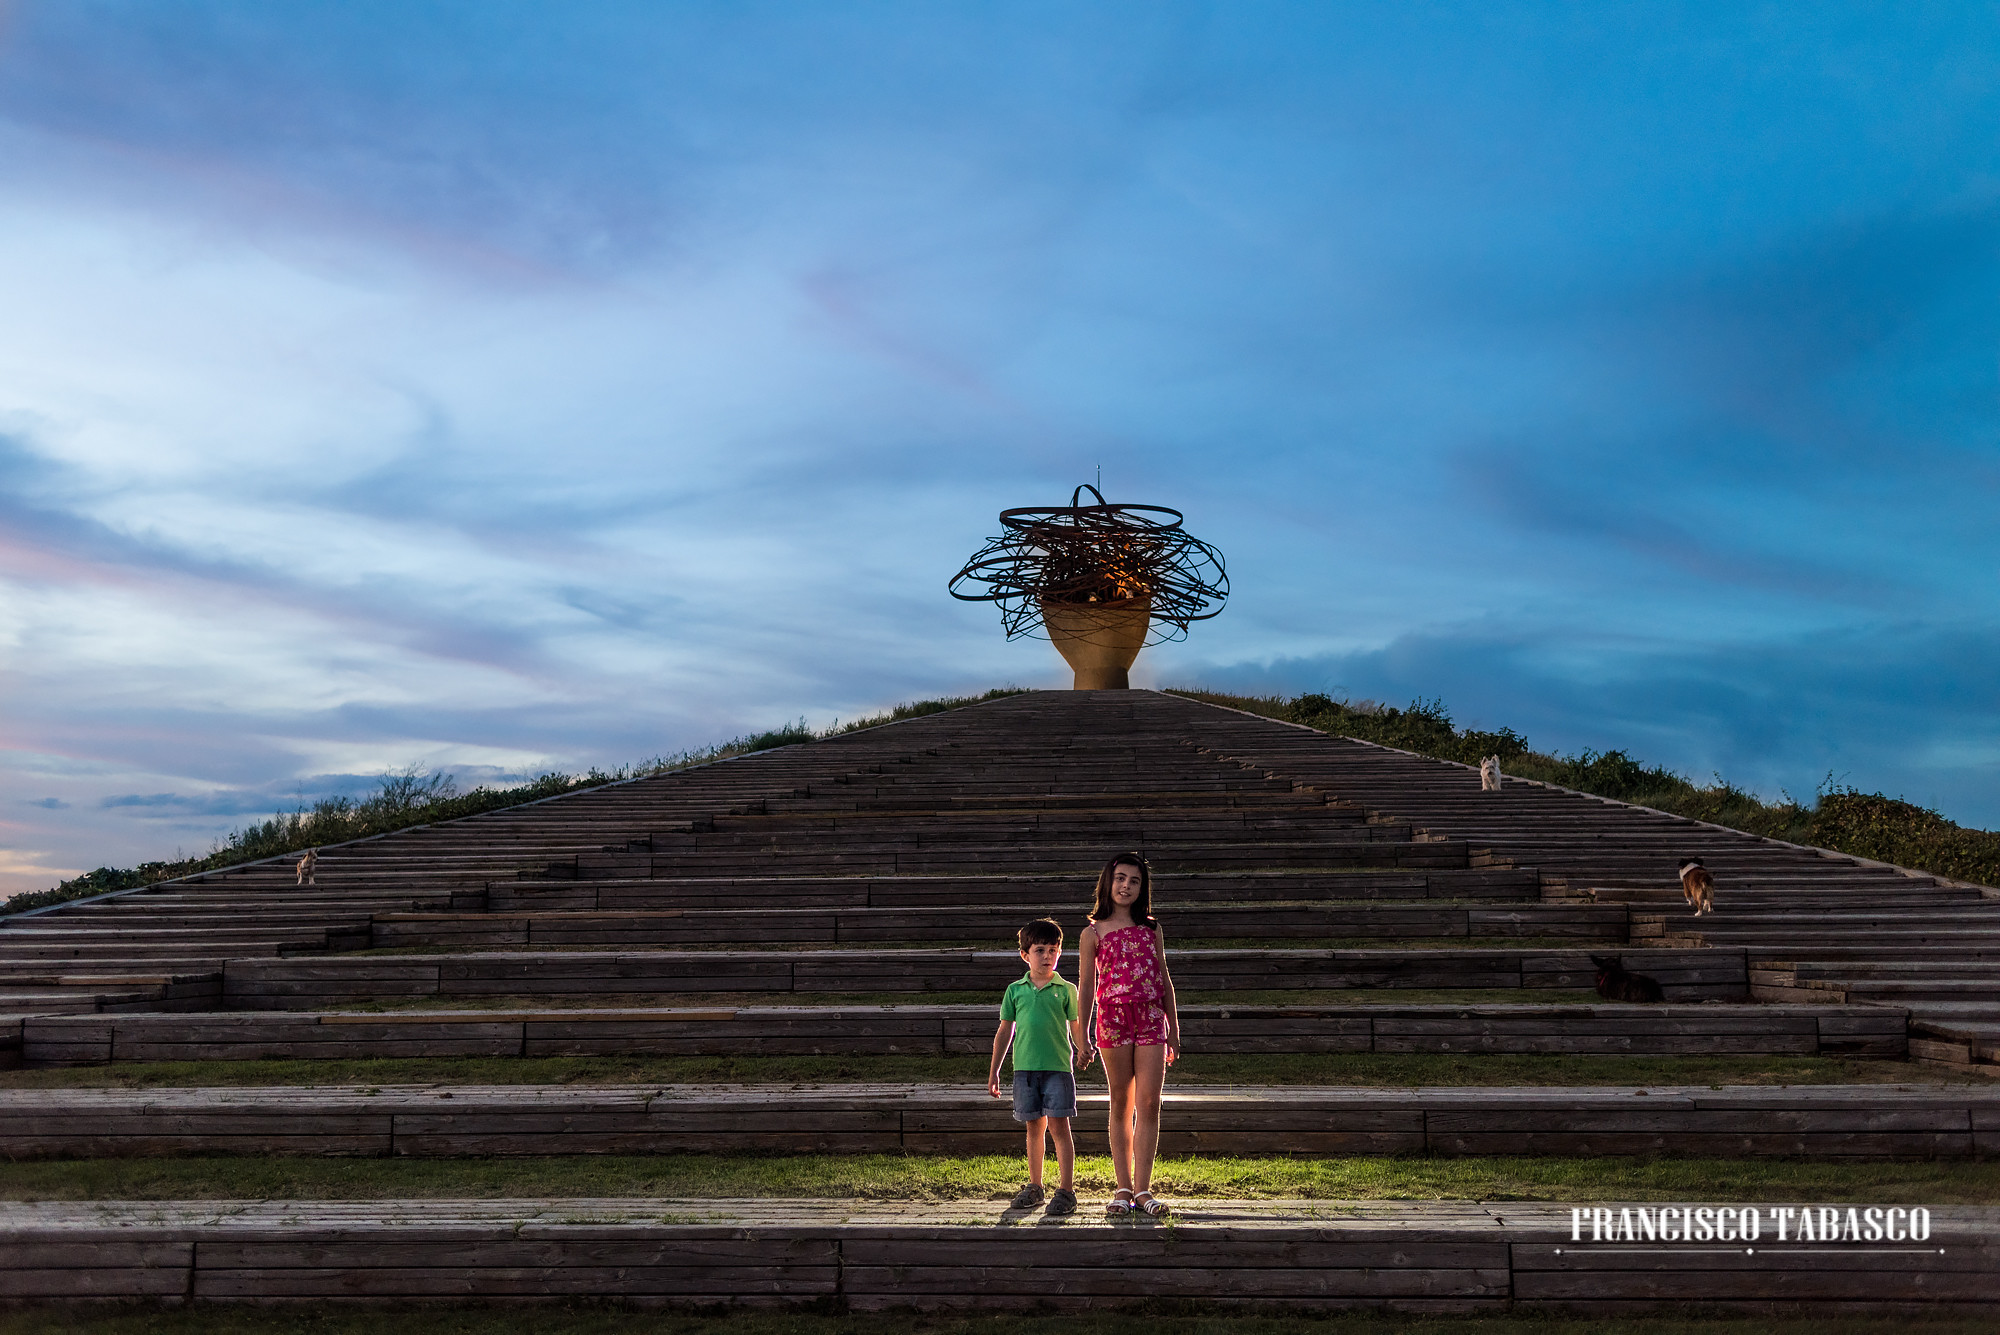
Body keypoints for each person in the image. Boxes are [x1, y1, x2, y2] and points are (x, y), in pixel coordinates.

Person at [1077, 851, 1181, 1218]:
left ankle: (1143, 1189)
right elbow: (1087, 986)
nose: (1126, 886)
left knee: (1149, 1102)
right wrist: (1082, 1033)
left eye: (1134, 881)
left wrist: (1174, 1027)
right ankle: (1122, 1188)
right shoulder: (1092, 932)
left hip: (1151, 1017)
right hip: (1113, 1018)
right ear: (1108, 882)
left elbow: (1164, 977)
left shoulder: (1152, 928)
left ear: (1142, 888)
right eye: (1120, 878)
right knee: (1120, 1101)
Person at [987, 916, 1090, 1216]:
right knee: (1034, 1128)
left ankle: (1066, 1190)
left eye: (1053, 950)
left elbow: (1075, 1025)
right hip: (1025, 1071)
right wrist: (995, 1070)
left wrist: (1083, 1047)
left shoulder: (1066, 989)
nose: (1047, 956)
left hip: (1058, 1069)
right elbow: (1005, 1030)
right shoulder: (1015, 990)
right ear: (1025, 954)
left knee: (1060, 1128)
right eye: (1040, 950)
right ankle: (1035, 1186)